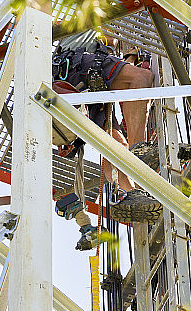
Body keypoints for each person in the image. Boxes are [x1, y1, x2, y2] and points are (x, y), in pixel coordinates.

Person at [53, 33, 162, 225]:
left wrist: (131, 57)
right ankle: (138, 152)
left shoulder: (104, 45)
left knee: (115, 144)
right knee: (141, 77)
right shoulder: (90, 21)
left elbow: (115, 63)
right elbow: (109, 39)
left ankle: (129, 194)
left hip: (86, 85)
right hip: (79, 66)